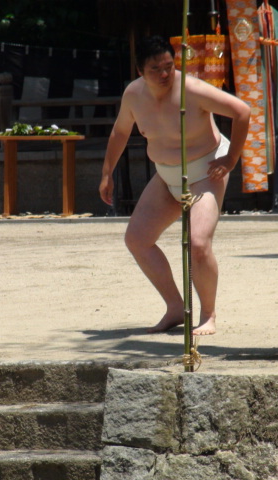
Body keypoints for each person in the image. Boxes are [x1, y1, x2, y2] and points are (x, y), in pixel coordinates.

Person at [99, 36, 251, 336]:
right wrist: (107, 173)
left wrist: (232, 158)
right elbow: (119, 132)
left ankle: (208, 314)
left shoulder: (192, 90)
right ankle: (174, 307)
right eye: (156, 68)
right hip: (166, 175)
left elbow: (242, 111)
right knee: (137, 239)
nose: (165, 74)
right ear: (140, 69)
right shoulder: (133, 94)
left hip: (206, 173)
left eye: (169, 66)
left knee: (197, 244)